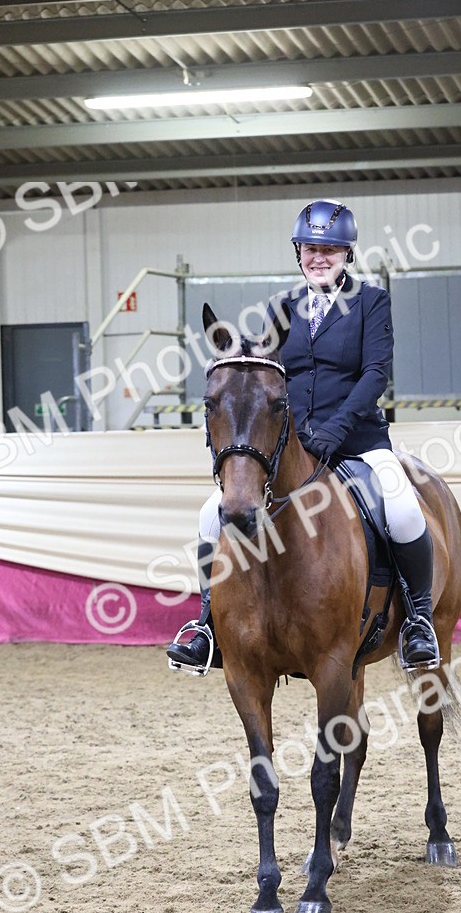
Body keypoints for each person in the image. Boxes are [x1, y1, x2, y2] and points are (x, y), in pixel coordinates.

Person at [166, 198, 439, 673]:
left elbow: (376, 374)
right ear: (298, 252)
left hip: (358, 442)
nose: (320, 257)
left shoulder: (372, 302)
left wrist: (337, 429)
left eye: (330, 249)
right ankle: (207, 623)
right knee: (211, 516)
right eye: (311, 248)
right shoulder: (280, 308)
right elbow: (265, 378)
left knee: (401, 506)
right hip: (291, 451)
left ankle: (417, 619)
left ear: (347, 253)